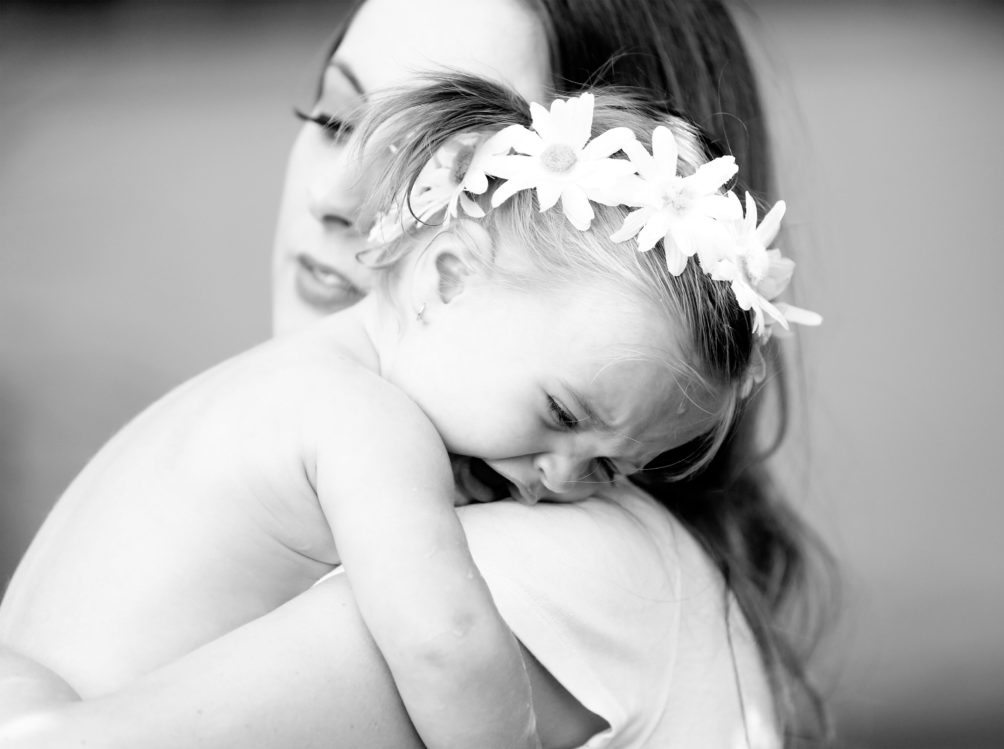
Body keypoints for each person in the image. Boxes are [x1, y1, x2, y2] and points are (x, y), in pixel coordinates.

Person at [0, 0, 829, 746]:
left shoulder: (247, 396)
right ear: (449, 274)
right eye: (331, 116)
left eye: (613, 466)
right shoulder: (368, 423)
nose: (565, 482)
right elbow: (446, 643)